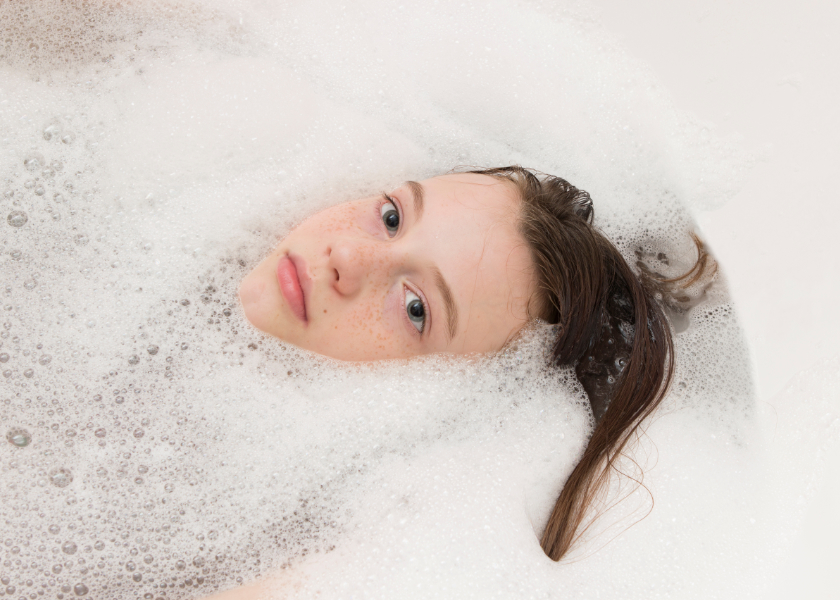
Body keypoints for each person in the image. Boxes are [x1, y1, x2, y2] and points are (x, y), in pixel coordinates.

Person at [221, 166, 709, 598]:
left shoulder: (354, 563)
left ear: (445, 397)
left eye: (416, 309)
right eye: (392, 218)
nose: (347, 255)